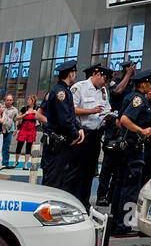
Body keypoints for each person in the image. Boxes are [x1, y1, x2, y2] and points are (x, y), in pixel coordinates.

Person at [112, 69, 151, 236]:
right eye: (149, 83)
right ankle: (124, 225)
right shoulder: (138, 99)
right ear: (143, 84)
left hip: (126, 147)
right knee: (130, 188)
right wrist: (141, 131)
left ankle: (116, 221)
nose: (150, 86)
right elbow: (124, 120)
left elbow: (118, 121)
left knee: (120, 184)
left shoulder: (129, 97)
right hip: (133, 149)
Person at [69, 64, 111, 207]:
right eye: (104, 80)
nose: (105, 84)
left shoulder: (103, 90)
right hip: (82, 136)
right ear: (97, 74)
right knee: (76, 173)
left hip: (96, 136)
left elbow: (107, 108)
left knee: (89, 174)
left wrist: (107, 116)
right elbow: (71, 110)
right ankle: (73, 204)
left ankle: (84, 203)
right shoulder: (79, 87)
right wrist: (91, 111)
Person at [41, 61, 84, 189]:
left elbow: (70, 115)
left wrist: (79, 128)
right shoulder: (61, 93)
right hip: (57, 144)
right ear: (70, 74)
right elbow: (65, 119)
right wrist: (75, 135)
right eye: (74, 73)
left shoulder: (64, 91)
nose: (75, 76)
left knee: (61, 180)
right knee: (53, 182)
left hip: (61, 143)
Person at [11, 96, 38, 170]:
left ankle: (25, 164)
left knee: (28, 147)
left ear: (33, 101)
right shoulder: (24, 109)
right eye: (28, 100)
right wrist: (24, 114)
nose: (28, 101)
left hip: (31, 130)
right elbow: (17, 118)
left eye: (29, 100)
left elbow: (40, 119)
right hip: (23, 129)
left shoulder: (37, 109)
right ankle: (16, 161)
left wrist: (36, 114)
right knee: (19, 145)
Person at [1, 94, 16, 169]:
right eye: (7, 100)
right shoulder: (1, 107)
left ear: (12, 101)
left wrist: (16, 129)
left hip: (9, 130)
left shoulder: (15, 110)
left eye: (10, 100)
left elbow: (15, 120)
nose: (9, 102)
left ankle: (5, 163)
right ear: (5, 100)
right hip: (1, 130)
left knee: (6, 147)